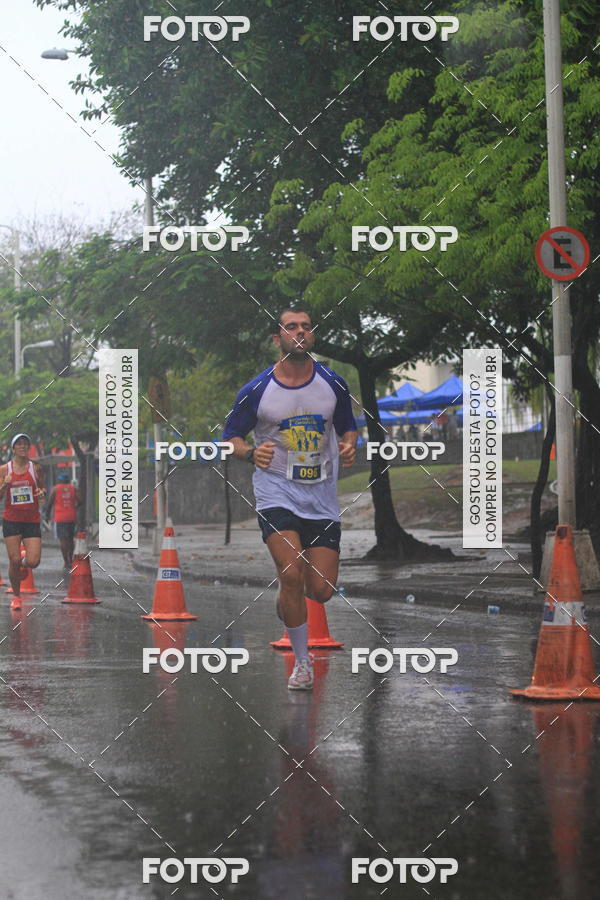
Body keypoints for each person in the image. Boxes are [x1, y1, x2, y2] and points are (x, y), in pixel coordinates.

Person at [223, 308, 357, 690]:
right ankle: (302, 663)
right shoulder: (256, 390)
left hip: (321, 495)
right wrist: (250, 453)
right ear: (277, 338)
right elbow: (230, 439)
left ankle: (288, 595)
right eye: (291, 327)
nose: (300, 332)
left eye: (306, 327)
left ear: (312, 335)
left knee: (321, 590)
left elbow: (348, 427)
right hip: (276, 490)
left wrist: (349, 445)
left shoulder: (333, 383)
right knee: (292, 571)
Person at [0, 434, 46, 610]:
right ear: (13, 448)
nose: (23, 446)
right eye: (19, 444)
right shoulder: (4, 469)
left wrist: (41, 492)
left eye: (25, 444)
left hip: (31, 520)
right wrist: (5, 484)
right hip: (11, 519)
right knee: (14, 560)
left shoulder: (36, 468)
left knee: (34, 561)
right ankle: (17, 597)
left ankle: (23, 562)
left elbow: (42, 487)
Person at [46, 472, 81, 571]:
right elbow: (80, 501)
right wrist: (74, 507)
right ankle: (71, 559)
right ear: (68, 480)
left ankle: (66, 562)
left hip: (60, 518)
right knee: (70, 539)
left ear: (60, 480)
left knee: (63, 540)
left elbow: (50, 503)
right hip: (71, 517)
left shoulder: (55, 489)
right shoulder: (73, 488)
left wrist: (47, 515)